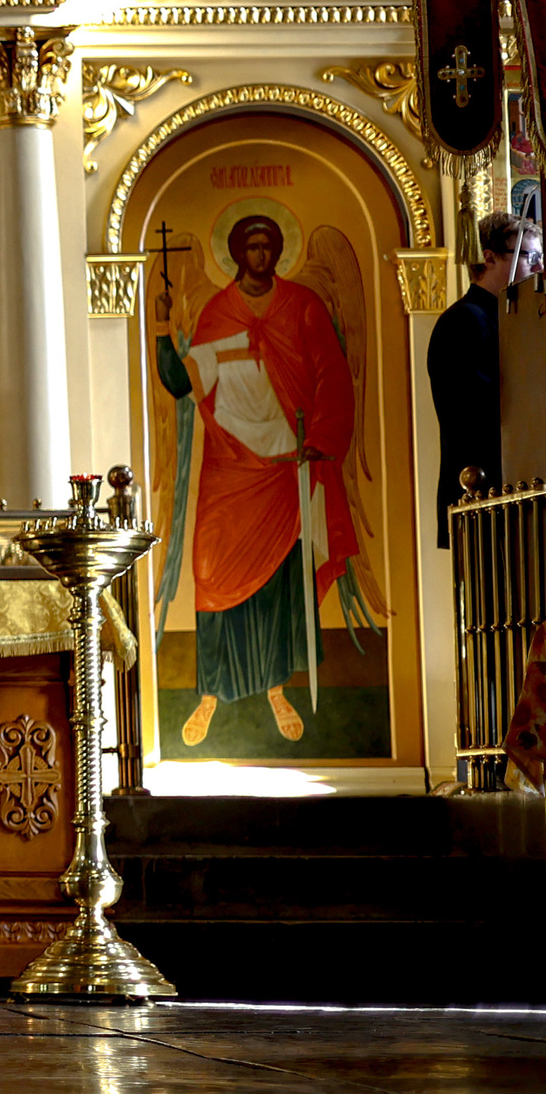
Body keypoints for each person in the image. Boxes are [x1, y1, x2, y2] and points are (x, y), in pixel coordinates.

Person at [151, 207, 362, 745]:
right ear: (239, 252)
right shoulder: (220, 312)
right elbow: (184, 381)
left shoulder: (304, 306)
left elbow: (332, 377)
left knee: (282, 583)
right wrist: (160, 333)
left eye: (269, 246)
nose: (261, 255)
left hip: (287, 466)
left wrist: (320, 439)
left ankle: (276, 688)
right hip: (230, 471)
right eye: (252, 246)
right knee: (210, 568)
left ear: (276, 252)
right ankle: (208, 695)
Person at [430, 210, 545, 535]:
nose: (539, 267)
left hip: (517, 492)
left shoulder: (515, 320)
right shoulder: (465, 321)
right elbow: (478, 415)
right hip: (485, 496)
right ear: (489, 257)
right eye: (530, 256)